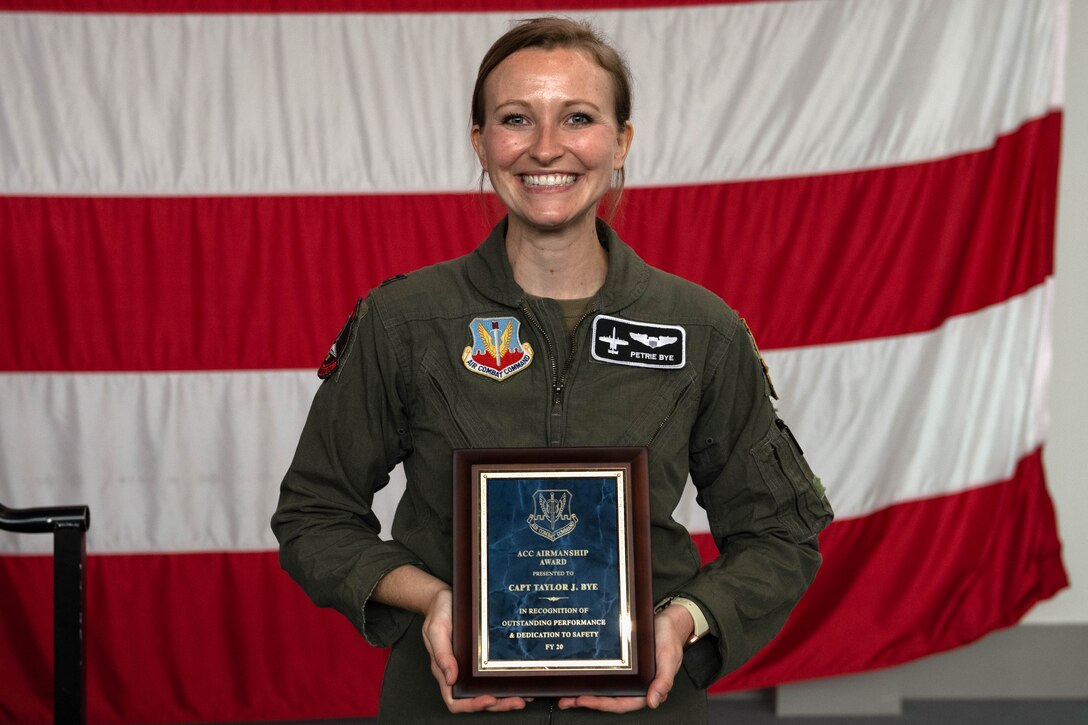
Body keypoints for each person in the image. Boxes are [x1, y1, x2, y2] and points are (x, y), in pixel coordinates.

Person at [272, 17, 833, 723]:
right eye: (515, 119)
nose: (545, 147)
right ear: (480, 142)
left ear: (621, 139)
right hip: (446, 703)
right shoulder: (405, 322)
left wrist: (685, 619)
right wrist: (433, 599)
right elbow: (313, 514)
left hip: (647, 704)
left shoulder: (700, 329)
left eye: (578, 117)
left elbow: (781, 533)